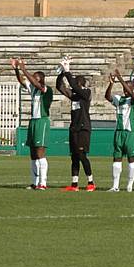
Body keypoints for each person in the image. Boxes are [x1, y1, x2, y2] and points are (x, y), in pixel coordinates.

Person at [12, 58, 53, 190]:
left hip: (42, 121)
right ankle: (35, 182)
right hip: (33, 121)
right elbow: (21, 81)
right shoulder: (33, 89)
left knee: (40, 151)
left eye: (36, 77)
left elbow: (35, 84)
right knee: (33, 153)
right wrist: (17, 69)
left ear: (41, 79)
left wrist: (24, 69)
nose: (32, 79)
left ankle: (43, 183)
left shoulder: (46, 89)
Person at [55, 57, 95, 192]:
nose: (74, 86)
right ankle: (74, 184)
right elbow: (59, 86)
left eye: (76, 83)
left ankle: (91, 182)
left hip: (84, 128)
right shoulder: (74, 96)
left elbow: (74, 86)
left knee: (82, 155)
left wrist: (68, 72)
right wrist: (61, 72)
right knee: (74, 156)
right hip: (74, 128)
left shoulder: (86, 94)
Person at [105, 69, 134, 192]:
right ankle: (115, 186)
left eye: (127, 88)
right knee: (117, 158)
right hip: (119, 132)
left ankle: (129, 185)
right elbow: (107, 96)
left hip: (131, 133)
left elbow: (132, 95)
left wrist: (120, 78)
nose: (125, 90)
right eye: (124, 88)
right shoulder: (119, 99)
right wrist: (111, 83)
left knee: (131, 159)